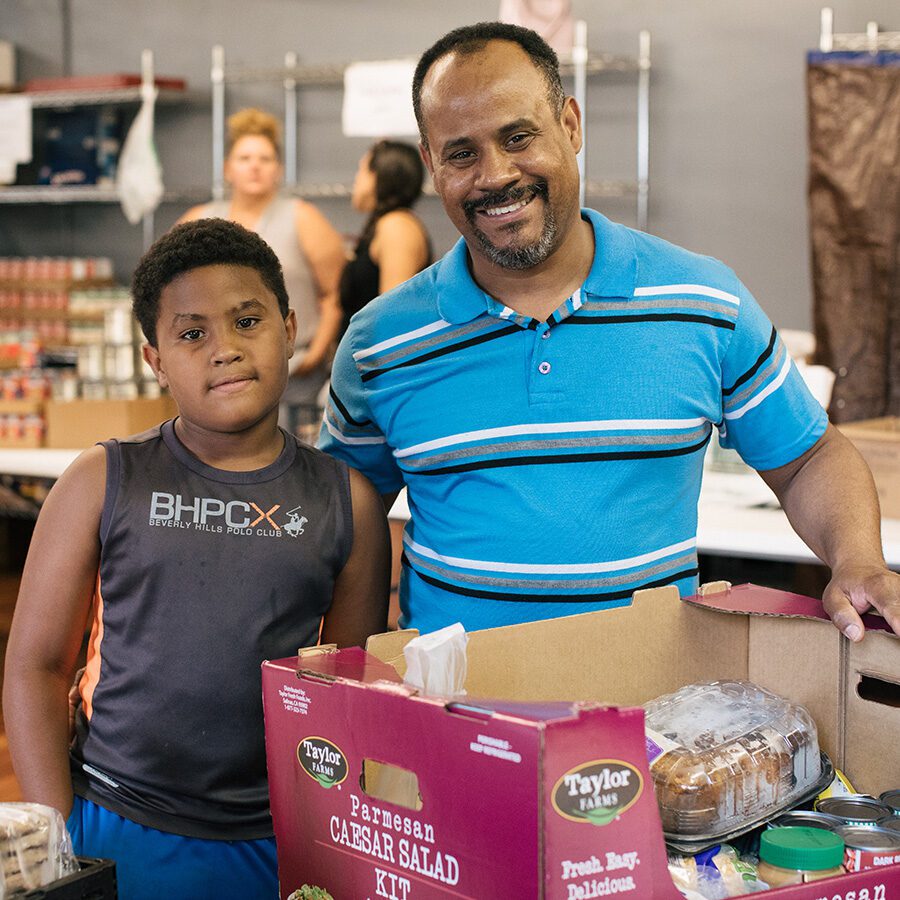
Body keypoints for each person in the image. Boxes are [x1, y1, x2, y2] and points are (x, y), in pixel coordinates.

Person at [318, 21, 900, 641]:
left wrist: (858, 560)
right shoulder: (379, 343)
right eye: (461, 153)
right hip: (451, 719)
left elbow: (807, 458)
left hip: (649, 718)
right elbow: (343, 516)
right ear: (432, 162)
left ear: (570, 125)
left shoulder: (704, 301)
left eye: (518, 136)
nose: (494, 175)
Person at [3, 219, 391, 900]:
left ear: (291, 326)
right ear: (154, 359)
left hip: (279, 838)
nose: (226, 350)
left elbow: (348, 700)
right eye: (192, 333)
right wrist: (57, 836)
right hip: (115, 823)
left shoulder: (347, 503)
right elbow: (35, 666)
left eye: (248, 320)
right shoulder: (100, 480)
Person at [179, 108, 346, 438]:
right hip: (219, 374)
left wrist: (314, 354)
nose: (255, 165)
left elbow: (335, 294)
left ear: (279, 169)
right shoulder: (198, 220)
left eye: (265, 158)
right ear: (228, 168)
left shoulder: (304, 218)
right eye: (244, 158)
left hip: (295, 376)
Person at [339, 139, 432, 333]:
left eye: (361, 170)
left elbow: (393, 317)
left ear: (379, 177)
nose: (356, 179)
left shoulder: (397, 227)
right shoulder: (385, 224)